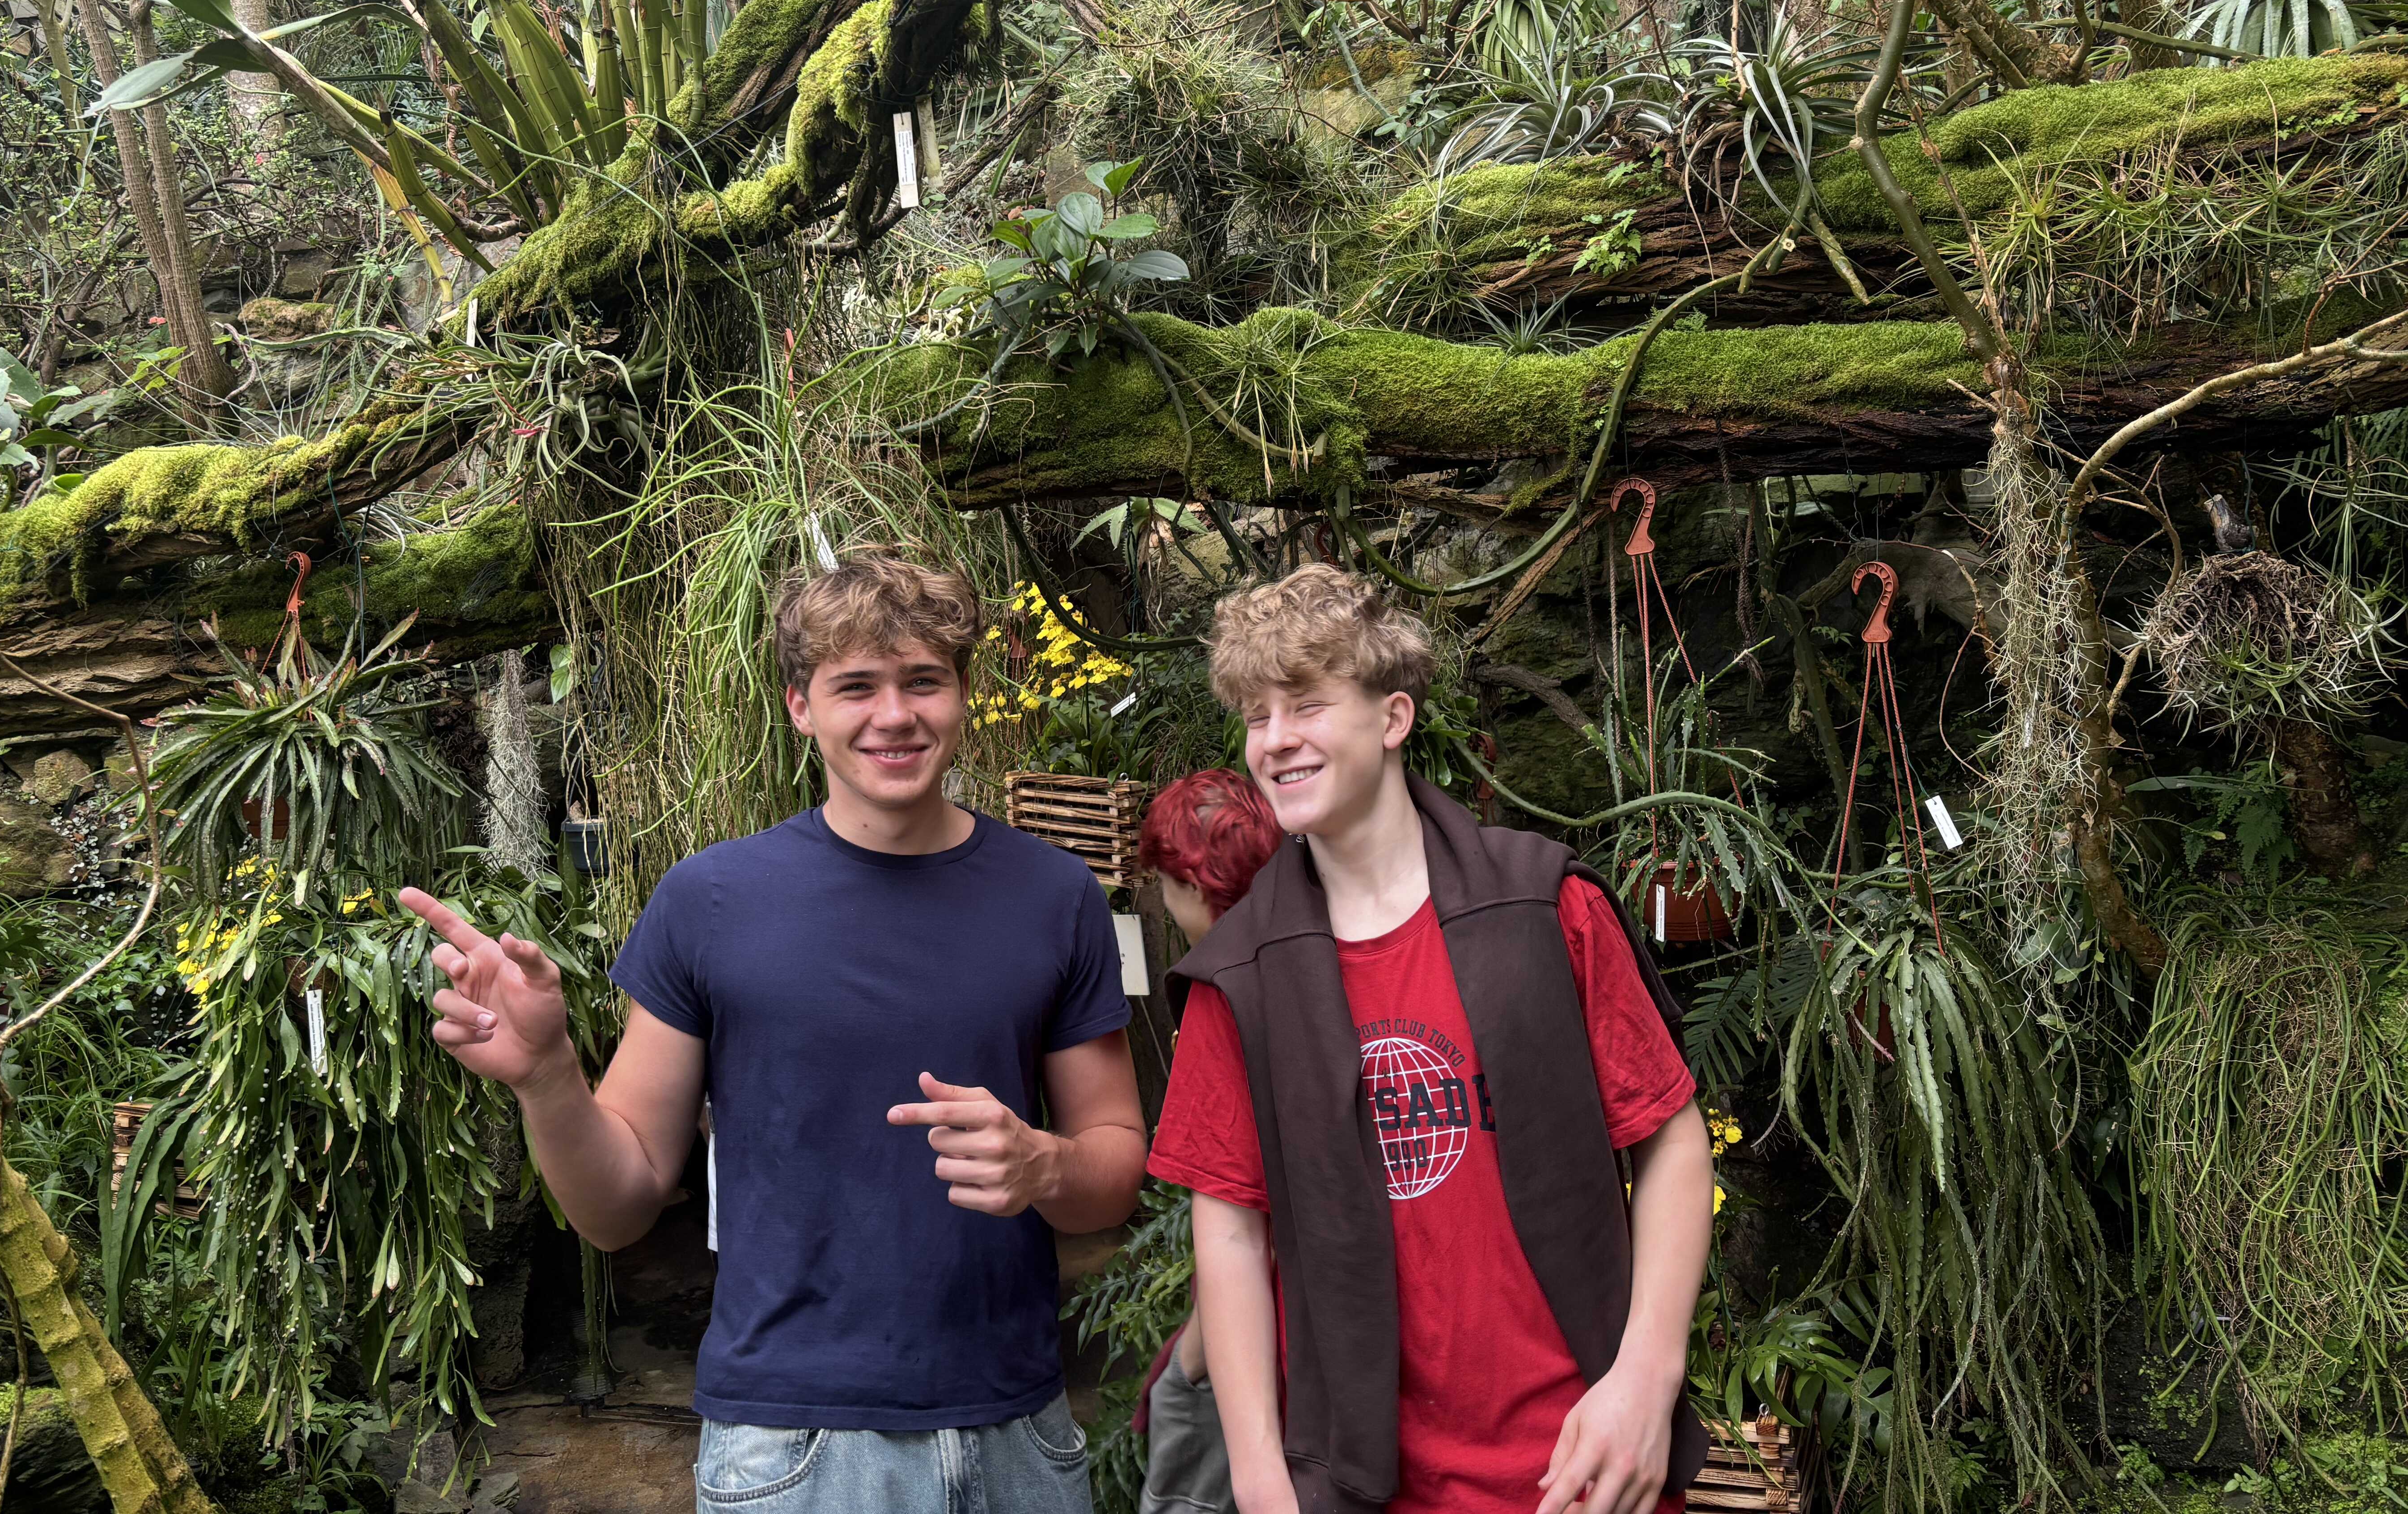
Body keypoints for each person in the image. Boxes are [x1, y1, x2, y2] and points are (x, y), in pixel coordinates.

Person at [400, 553, 1148, 1513]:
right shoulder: (709, 901)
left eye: (924, 680)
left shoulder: (1055, 896)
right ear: (801, 707)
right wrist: (546, 1075)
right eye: (856, 687)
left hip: (1017, 1432)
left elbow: (1113, 1171)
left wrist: (1044, 1166)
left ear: (964, 695)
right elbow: (618, 1208)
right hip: (791, 1448)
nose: (894, 715)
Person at [1146, 564, 1714, 1514]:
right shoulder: (1239, 979)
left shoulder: (1544, 908)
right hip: (1364, 1483)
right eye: (1256, 716)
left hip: (1586, 1462)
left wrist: (1646, 1381)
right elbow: (1232, 1231)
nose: (1276, 739)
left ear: (1394, 717)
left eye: (1307, 705)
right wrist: (1259, 1479)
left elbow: (1671, 1138)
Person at [1133, 770, 1282, 1514]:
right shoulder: (1317, 963)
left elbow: (1246, 1215)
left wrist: (1192, 1359)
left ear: (1192, 885)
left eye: (1164, 881)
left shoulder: (1223, 996)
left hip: (1248, 1347)